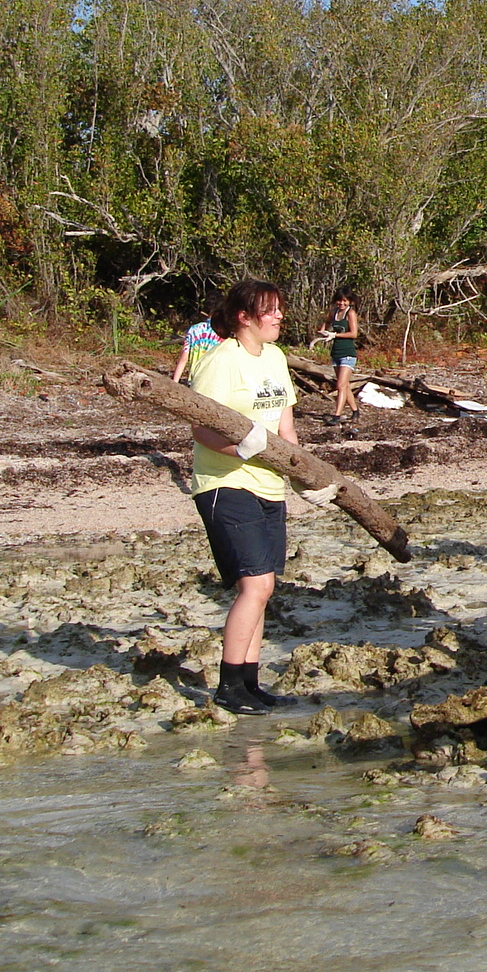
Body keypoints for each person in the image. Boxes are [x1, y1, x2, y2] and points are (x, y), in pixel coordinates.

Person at [188, 278, 303, 715]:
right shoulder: (221, 361)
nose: (279, 317)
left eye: (279, 309)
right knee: (253, 584)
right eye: (270, 310)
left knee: (265, 586)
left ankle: (250, 683)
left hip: (270, 486)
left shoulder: (274, 356)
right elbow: (200, 428)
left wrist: (302, 476)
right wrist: (238, 449)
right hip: (226, 484)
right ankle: (228, 685)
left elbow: (285, 426)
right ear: (244, 317)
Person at [316, 293, 363, 422]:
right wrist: (324, 332)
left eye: (345, 301)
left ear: (349, 302)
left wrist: (335, 335)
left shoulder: (350, 313)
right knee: (345, 385)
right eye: (339, 301)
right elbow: (326, 323)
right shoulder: (334, 312)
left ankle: (337, 416)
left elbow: (353, 333)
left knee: (340, 385)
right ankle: (355, 411)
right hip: (336, 353)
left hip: (347, 353)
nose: (341, 304)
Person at [170, 315, 220, 384]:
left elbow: (184, 357)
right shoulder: (222, 333)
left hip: (194, 379)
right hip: (213, 381)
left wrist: (174, 382)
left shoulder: (194, 329)